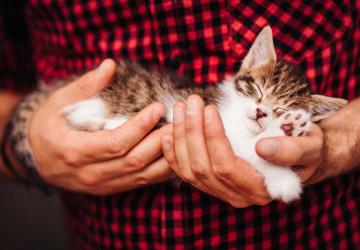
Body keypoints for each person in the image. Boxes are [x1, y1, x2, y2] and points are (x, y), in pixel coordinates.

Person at [1, 1, 359, 248]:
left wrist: (336, 145)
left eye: (277, 112)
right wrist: (28, 147)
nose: (261, 112)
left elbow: (242, 148)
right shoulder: (228, 102)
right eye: (259, 97)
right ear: (252, 62)